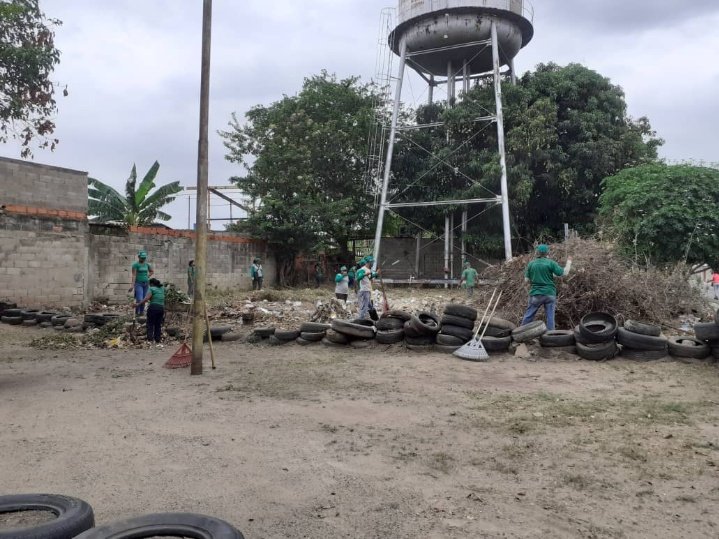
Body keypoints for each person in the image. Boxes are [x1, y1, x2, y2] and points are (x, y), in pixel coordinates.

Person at [521, 244, 572, 331]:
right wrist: (569, 261)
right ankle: (551, 337)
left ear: (537, 252)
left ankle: (521, 333)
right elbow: (564, 273)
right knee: (550, 317)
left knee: (529, 315)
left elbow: (526, 280)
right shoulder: (551, 263)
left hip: (536, 294)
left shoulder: (531, 264)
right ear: (547, 253)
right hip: (550, 294)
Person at [135, 277, 165, 346]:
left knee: (150, 323)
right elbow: (161, 298)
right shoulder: (161, 289)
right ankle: (157, 340)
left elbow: (146, 298)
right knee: (158, 324)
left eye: (149, 284)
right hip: (161, 308)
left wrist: (138, 304)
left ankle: (150, 339)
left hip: (153, 308)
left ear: (151, 284)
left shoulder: (151, 288)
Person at [128, 251, 153, 316]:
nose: (143, 259)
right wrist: (132, 285)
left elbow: (151, 271)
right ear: (139, 257)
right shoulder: (135, 265)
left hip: (146, 284)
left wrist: (148, 276)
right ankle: (136, 312)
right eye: (142, 258)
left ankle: (141, 312)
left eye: (144, 258)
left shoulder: (147, 264)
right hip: (138, 284)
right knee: (139, 298)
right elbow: (134, 275)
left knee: (144, 299)